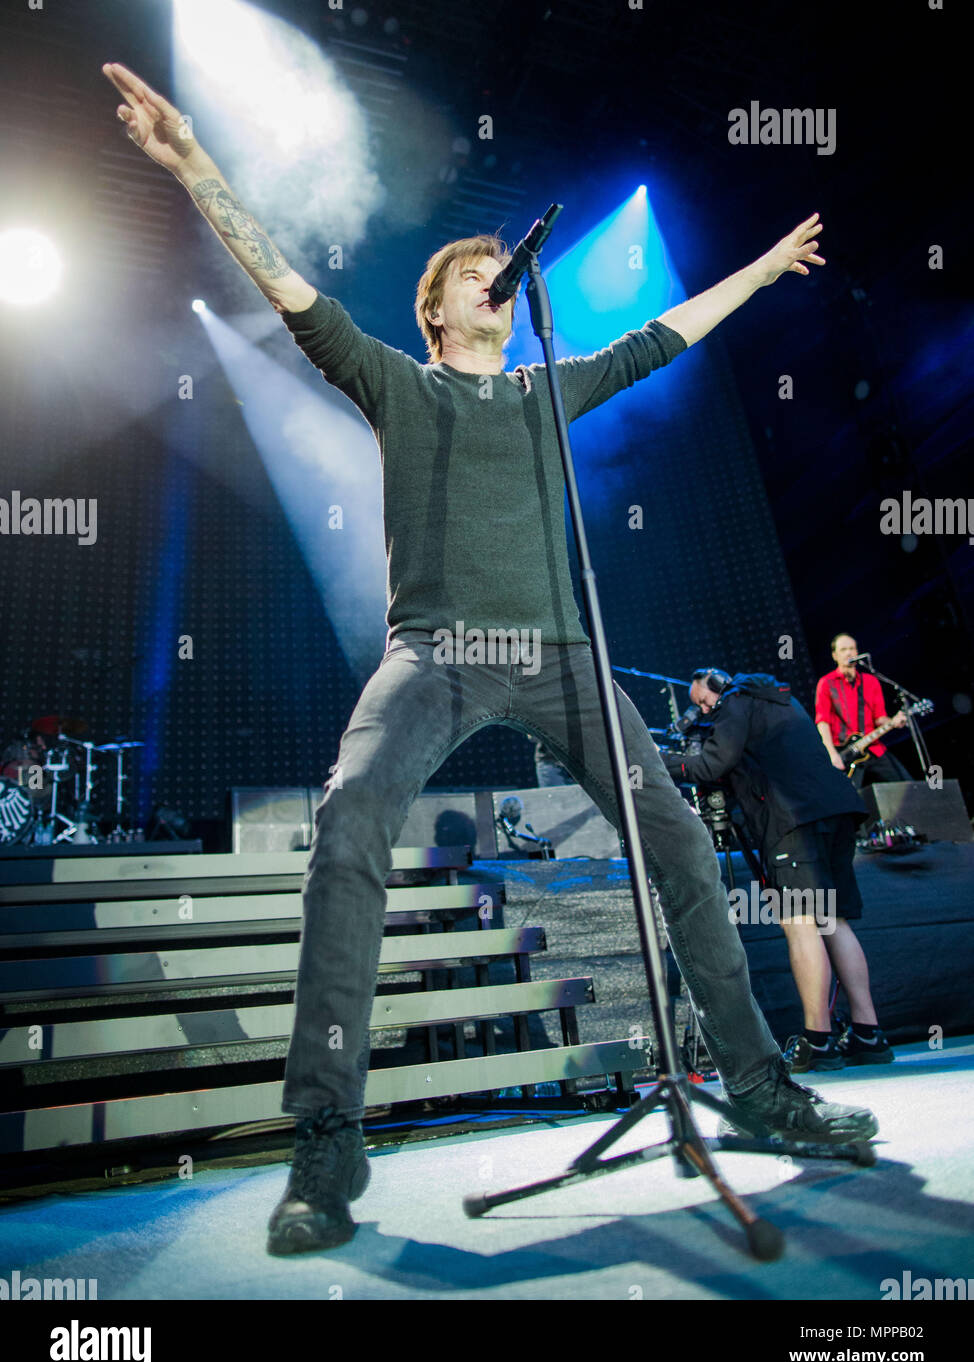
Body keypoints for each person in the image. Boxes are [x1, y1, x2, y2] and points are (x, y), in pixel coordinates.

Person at [103, 62, 878, 1257]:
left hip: (564, 650)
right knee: (352, 813)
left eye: (504, 276)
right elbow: (285, 281)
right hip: (438, 653)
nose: (500, 285)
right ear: (439, 308)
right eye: (479, 273)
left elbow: (662, 336)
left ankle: (762, 1084)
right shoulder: (394, 385)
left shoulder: (542, 388)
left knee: (673, 832)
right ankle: (326, 1133)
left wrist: (765, 271)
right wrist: (196, 164)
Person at [660, 669, 895, 1073]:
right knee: (832, 921)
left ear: (720, 685)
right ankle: (868, 1033)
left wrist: (658, 761)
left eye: (703, 700)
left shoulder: (735, 701)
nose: (704, 710)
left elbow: (713, 764)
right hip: (837, 811)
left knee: (800, 922)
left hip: (793, 819)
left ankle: (818, 1040)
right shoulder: (783, 698)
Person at [815, 634, 912, 788]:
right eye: (843, 649)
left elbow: (880, 718)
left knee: (906, 786)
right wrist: (832, 754)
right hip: (844, 752)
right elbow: (822, 722)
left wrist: (893, 722)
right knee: (850, 797)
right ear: (835, 655)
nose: (849, 653)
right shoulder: (826, 683)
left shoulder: (870, 681)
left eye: (852, 649)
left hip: (873, 747)